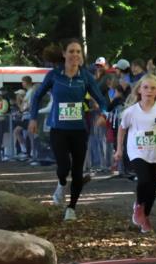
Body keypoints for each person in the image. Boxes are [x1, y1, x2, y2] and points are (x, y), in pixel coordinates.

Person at [29, 39, 109, 222]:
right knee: (63, 166)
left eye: (78, 52)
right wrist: (33, 118)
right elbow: (37, 96)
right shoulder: (54, 75)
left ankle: (71, 208)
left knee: (78, 170)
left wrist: (103, 114)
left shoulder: (86, 77)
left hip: (79, 129)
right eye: (71, 51)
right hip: (58, 128)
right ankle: (61, 183)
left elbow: (102, 99)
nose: (75, 55)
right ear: (64, 54)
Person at [115, 74, 156, 233]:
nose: (149, 91)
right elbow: (122, 129)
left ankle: (146, 217)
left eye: (153, 88)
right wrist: (119, 149)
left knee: (152, 190)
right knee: (143, 180)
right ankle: (138, 205)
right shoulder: (131, 111)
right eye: (145, 87)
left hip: (155, 153)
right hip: (137, 152)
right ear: (139, 90)